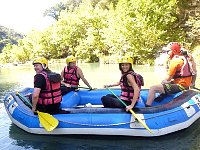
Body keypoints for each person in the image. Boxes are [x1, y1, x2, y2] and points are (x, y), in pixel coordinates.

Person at [145, 42, 192, 107]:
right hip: (185, 84)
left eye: (168, 51)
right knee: (165, 84)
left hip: (181, 86)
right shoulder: (184, 58)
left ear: (174, 51)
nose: (166, 53)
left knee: (153, 88)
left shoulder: (175, 61)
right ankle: (162, 97)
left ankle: (147, 107)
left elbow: (168, 78)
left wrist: (164, 81)